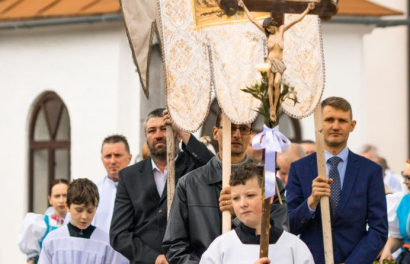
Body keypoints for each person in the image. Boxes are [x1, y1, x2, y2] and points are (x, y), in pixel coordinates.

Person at [163, 107, 288, 264]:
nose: (236, 134)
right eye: (230, 127)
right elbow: (175, 246)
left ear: (250, 136)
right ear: (215, 133)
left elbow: (281, 236)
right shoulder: (189, 184)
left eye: (243, 129)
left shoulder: (270, 184)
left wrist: (239, 214)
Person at [286, 96, 387, 264]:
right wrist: (311, 202)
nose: (335, 126)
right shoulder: (300, 169)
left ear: (352, 125)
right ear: (319, 124)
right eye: (329, 120)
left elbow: (379, 229)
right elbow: (289, 225)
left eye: (342, 120)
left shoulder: (370, 171)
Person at [111, 109, 213, 264]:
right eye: (152, 131)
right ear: (146, 137)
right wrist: (154, 258)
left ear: (177, 134)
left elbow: (215, 170)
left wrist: (186, 135)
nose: (158, 135)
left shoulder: (194, 168)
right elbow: (119, 234)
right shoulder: (129, 176)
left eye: (165, 129)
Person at [200, 163, 314, 264]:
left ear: (269, 198)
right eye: (235, 198)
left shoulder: (294, 247)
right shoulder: (221, 247)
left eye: (250, 195)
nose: (242, 204)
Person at [39, 178, 125, 264]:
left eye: (90, 211)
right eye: (79, 210)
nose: (84, 217)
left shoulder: (106, 243)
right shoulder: (52, 240)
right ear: (68, 206)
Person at [18, 179, 69, 264]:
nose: (61, 200)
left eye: (65, 195)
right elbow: (31, 259)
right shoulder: (41, 225)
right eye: (57, 196)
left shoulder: (78, 224)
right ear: (50, 199)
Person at [93, 135, 133, 234]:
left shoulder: (142, 188)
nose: (112, 161)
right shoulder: (93, 190)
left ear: (129, 158)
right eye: (108, 156)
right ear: (102, 159)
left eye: (117, 155)